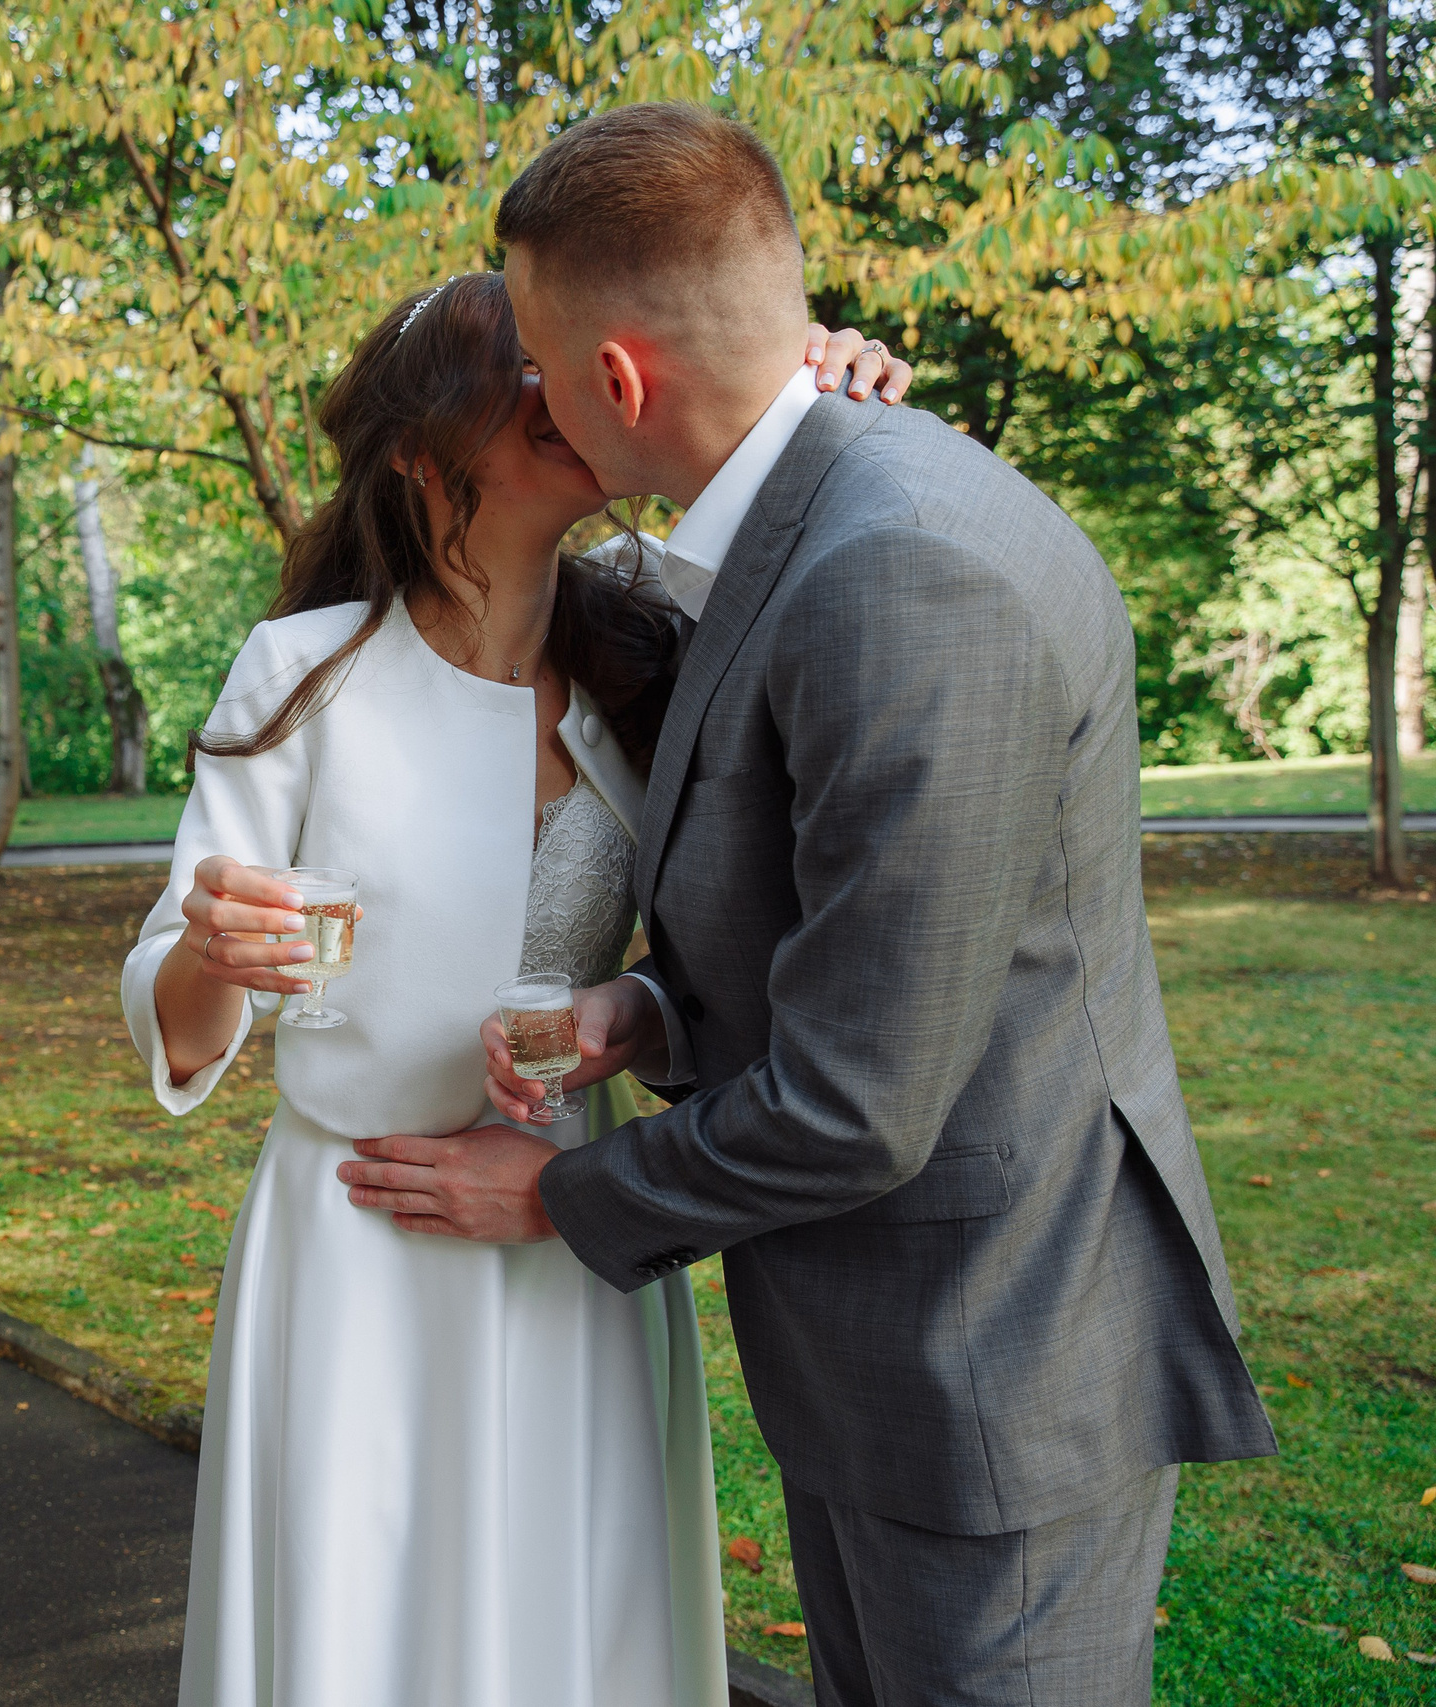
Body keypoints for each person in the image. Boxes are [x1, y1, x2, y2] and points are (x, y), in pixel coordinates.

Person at [356, 103, 1274, 1704]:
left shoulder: (898, 569)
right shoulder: (810, 520)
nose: (543, 409)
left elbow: (858, 1104)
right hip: (900, 1358)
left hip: (996, 1371)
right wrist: (637, 1010)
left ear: (619, 381)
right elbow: (847, 931)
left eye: (547, 375)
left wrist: (557, 1198)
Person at [123, 269, 912, 1707]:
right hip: (360, 1245)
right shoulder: (300, 673)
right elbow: (181, 1017)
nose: (566, 393)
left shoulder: (659, 656)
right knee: (360, 1633)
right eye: (521, 374)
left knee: (581, 1625)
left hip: (576, 1233)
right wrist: (211, 950)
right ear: (428, 452)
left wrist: (821, 403)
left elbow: (720, 961)